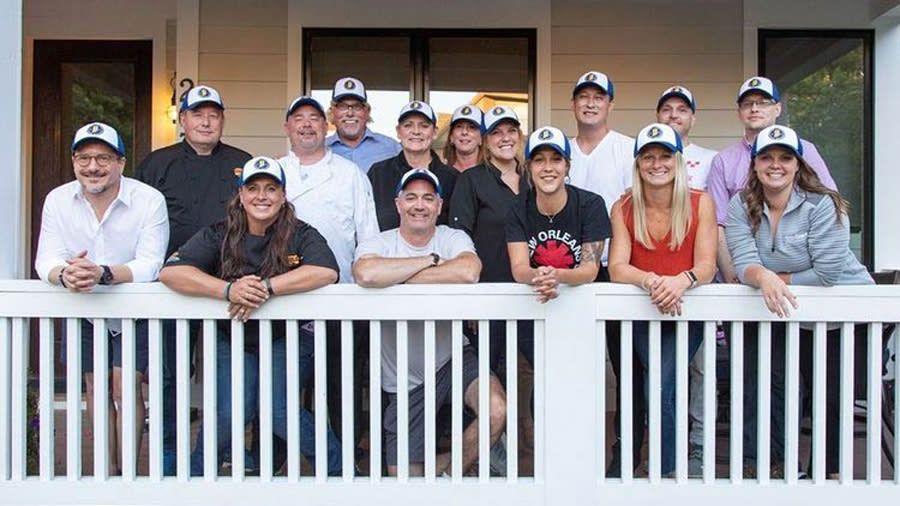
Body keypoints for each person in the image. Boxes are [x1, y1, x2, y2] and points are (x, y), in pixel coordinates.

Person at [159, 156, 342, 477]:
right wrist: (229, 291)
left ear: (283, 195)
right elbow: (172, 273)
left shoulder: (300, 233)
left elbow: (326, 271)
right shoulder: (219, 233)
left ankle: (339, 473)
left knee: (280, 411)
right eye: (253, 188)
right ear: (240, 195)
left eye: (271, 188)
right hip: (233, 336)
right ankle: (200, 477)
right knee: (230, 412)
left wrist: (266, 288)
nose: (262, 196)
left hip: (287, 336)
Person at [725, 125, 873, 480]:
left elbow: (827, 273)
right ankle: (783, 470)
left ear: (797, 164)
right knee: (779, 388)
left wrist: (775, 280)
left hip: (844, 313)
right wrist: (762, 277)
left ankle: (827, 474)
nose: (776, 165)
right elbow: (743, 262)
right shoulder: (740, 204)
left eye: (785, 157)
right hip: (788, 311)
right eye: (767, 157)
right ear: (755, 163)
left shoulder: (824, 203)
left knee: (832, 395)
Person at [35, 121, 169, 475]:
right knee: (95, 384)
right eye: (84, 157)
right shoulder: (58, 199)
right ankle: (105, 469)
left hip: (133, 306)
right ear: (74, 161)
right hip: (83, 304)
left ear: (121, 163)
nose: (93, 166)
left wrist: (103, 273)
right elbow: (45, 258)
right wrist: (66, 274)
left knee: (126, 384)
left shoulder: (148, 199)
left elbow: (151, 263)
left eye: (103, 158)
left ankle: (127, 469)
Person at [353, 167, 506, 476]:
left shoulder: (452, 237)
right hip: (403, 378)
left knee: (496, 410)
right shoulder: (378, 242)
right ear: (398, 204)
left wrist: (397, 277)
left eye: (427, 198)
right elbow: (367, 274)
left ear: (438, 205)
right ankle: (471, 459)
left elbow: (468, 272)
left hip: (452, 357)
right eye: (410, 198)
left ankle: (451, 477)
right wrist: (429, 260)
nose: (419, 205)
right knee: (403, 475)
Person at [135, 84, 251, 474]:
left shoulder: (242, 162)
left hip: (229, 287)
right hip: (175, 287)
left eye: (213, 114)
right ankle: (169, 453)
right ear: (182, 120)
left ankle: (225, 451)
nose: (205, 121)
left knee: (230, 374)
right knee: (170, 375)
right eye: (197, 114)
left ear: (222, 120)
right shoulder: (156, 164)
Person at [608, 123, 717, 477]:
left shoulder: (701, 203)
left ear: (679, 161)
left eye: (665, 156)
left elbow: (706, 266)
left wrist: (680, 282)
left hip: (687, 310)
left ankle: (667, 470)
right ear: (638, 164)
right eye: (649, 157)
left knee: (663, 384)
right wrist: (654, 281)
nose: (657, 164)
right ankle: (666, 467)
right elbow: (618, 268)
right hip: (644, 311)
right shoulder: (623, 206)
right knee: (657, 383)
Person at [279, 94, 379, 466]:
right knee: (284, 385)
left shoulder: (349, 174)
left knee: (343, 386)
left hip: (340, 296)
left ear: (327, 126)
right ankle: (278, 459)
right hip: (283, 297)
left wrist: (360, 287)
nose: (307, 124)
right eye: (298, 118)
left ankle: (347, 457)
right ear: (287, 127)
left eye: (314, 118)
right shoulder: (272, 171)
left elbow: (367, 235)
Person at [565, 70, 641, 476]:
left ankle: (623, 454)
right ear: (573, 103)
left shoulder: (628, 149)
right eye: (583, 97)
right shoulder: (560, 151)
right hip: (569, 274)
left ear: (610, 104)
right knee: (573, 364)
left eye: (599, 97)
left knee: (626, 367)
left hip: (618, 270)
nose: (590, 103)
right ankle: (574, 451)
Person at [708, 76, 838, 284]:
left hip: (811, 283)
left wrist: (775, 280)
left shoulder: (805, 150)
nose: (754, 108)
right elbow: (719, 224)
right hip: (751, 275)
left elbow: (831, 206)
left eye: (763, 103)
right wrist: (736, 279)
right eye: (748, 104)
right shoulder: (724, 161)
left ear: (777, 109)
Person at [655, 85, 718, 475]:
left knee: (701, 368)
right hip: (657, 284)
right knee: (660, 374)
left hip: (697, 282)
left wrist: (692, 276)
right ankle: (662, 449)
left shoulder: (711, 161)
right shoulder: (647, 160)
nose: (674, 115)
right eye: (667, 109)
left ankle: (699, 445)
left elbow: (717, 223)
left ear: (693, 117)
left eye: (682, 109)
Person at [506, 126, 609, 304]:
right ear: (529, 167)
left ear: (567, 166)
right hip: (536, 302)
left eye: (556, 160)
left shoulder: (591, 205)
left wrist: (556, 276)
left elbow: (589, 269)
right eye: (539, 160)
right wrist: (538, 275)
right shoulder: (517, 206)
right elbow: (519, 268)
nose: (548, 168)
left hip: (585, 303)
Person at [368, 100, 458, 231]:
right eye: (408, 125)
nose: (416, 131)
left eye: (424, 126)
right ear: (398, 132)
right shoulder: (378, 174)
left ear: (434, 132)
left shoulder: (453, 178)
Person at [325, 76, 401, 174]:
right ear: (332, 111)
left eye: (357, 106)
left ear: (367, 111)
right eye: (343, 106)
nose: (350, 113)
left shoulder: (391, 148)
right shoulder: (321, 150)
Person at [442, 104, 484, 172]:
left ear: (481, 138)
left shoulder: (491, 173)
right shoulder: (441, 171)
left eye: (471, 127)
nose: (464, 132)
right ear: (451, 136)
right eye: (459, 126)